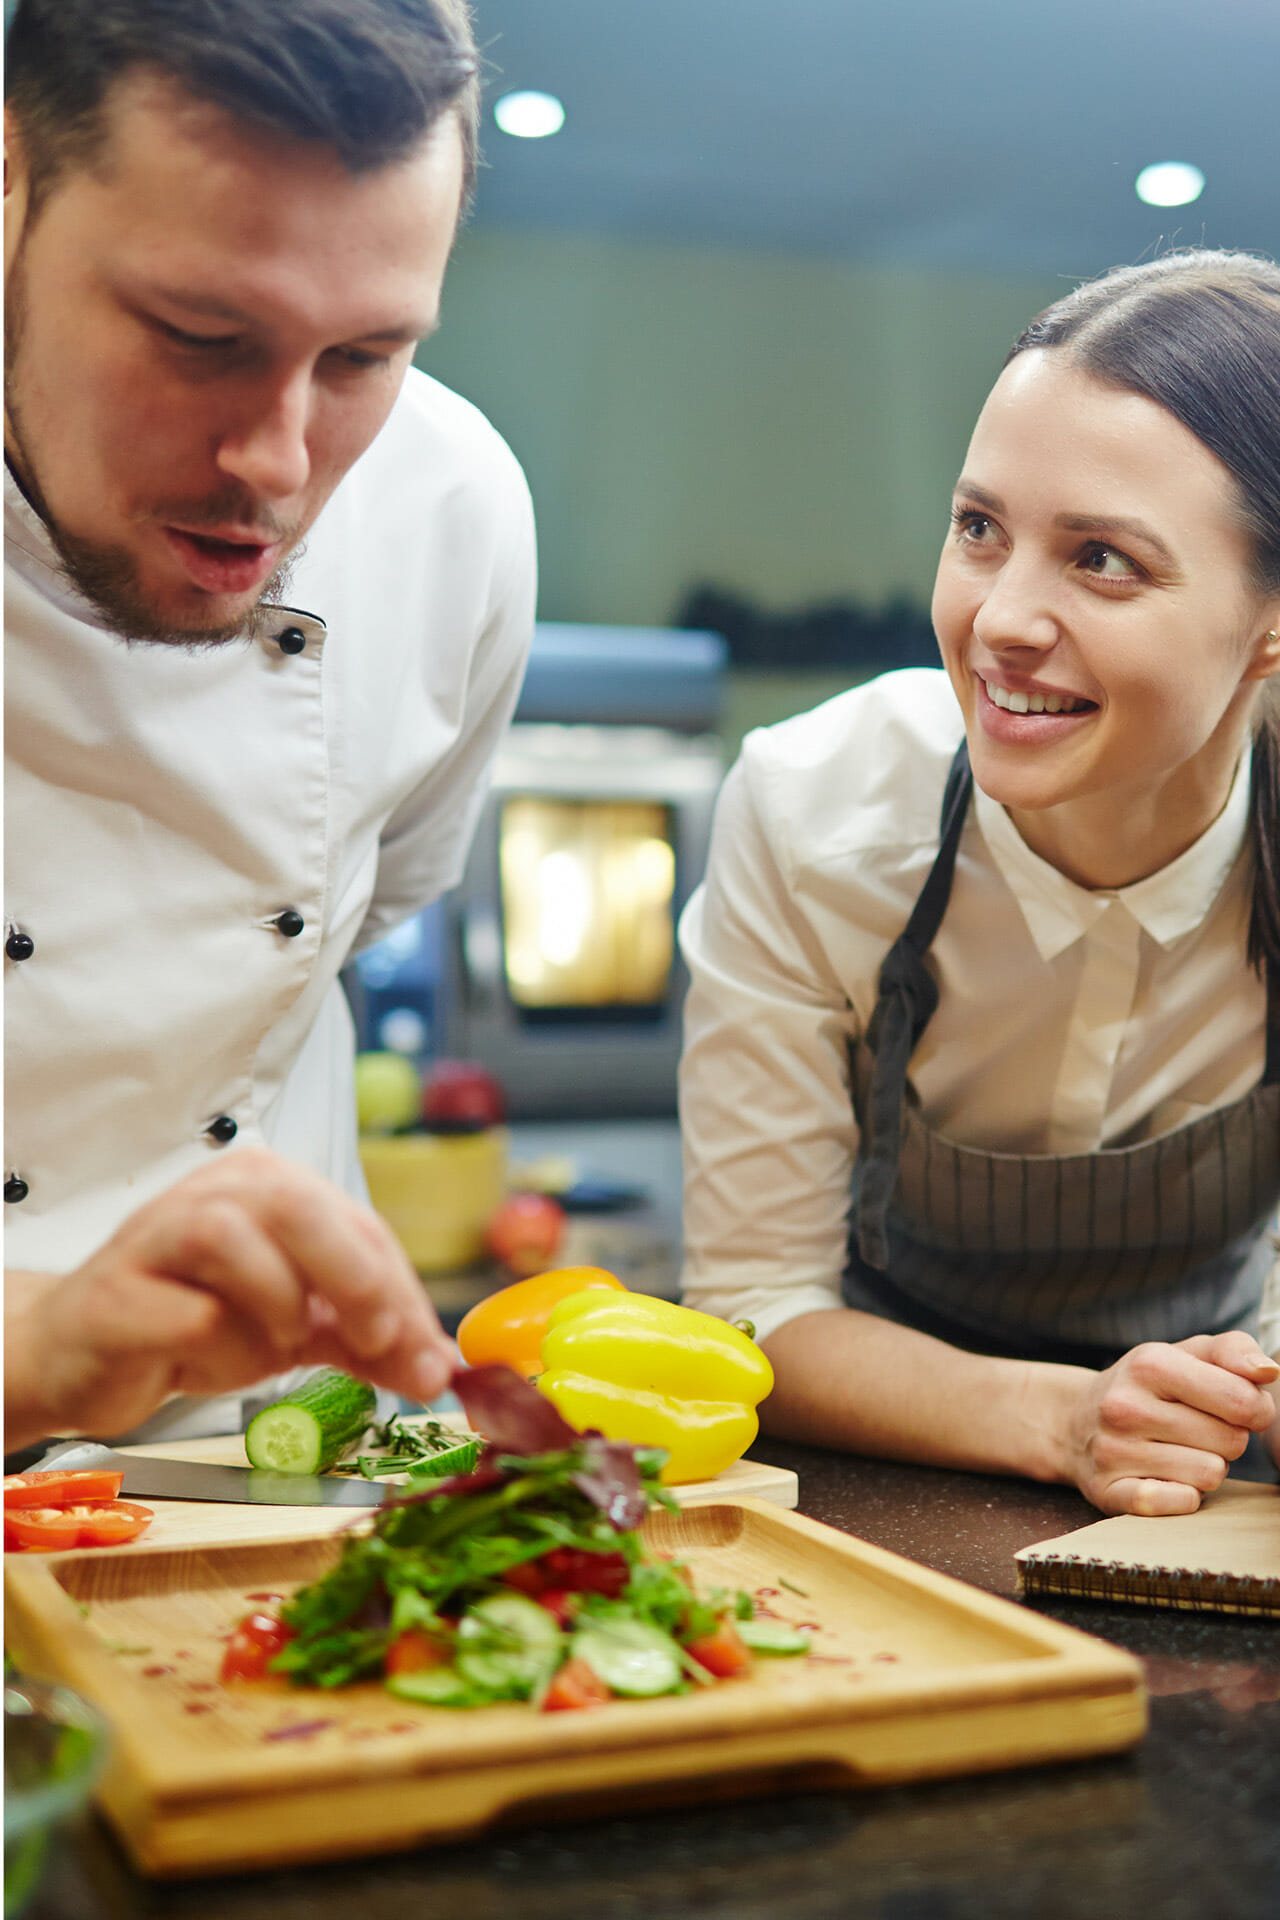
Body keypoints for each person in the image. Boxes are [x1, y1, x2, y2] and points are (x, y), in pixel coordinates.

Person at [3, 0, 537, 1450]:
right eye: (200, 336)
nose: (279, 463)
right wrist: (39, 1341)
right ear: (10, 183)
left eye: (365, 357)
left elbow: (374, 910)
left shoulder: (453, 514)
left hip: (273, 1467)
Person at [679, 250, 1280, 1517]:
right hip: (877, 1470)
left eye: (1101, 558)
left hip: (1210, 1479)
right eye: (978, 529)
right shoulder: (809, 812)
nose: (999, 618)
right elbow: (752, 1308)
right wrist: (1062, 1416)